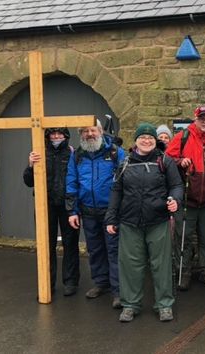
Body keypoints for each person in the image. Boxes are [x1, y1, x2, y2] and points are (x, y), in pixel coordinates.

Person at [105, 123, 183, 322]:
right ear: (136, 140)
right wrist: (111, 218)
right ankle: (130, 304)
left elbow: (176, 185)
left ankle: (164, 304)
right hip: (130, 222)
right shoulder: (125, 164)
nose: (146, 141)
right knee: (131, 265)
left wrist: (175, 200)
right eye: (142, 137)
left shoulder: (165, 161)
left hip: (158, 221)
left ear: (155, 140)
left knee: (162, 265)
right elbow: (116, 192)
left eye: (150, 137)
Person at [165, 105, 205, 290]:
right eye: (202, 118)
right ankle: (183, 272)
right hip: (187, 200)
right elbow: (167, 159)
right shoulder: (183, 137)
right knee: (182, 238)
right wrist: (179, 161)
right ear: (196, 119)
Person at [66, 120, 125, 308]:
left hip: (110, 212)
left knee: (114, 250)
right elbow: (71, 182)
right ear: (80, 134)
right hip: (88, 211)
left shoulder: (114, 152)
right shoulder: (77, 156)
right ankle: (101, 283)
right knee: (95, 249)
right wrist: (73, 211)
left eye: (92, 130)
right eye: (84, 131)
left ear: (100, 131)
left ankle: (118, 290)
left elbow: (125, 181)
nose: (89, 134)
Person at [23, 128, 80, 296]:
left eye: (60, 134)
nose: (56, 137)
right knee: (46, 245)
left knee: (70, 243)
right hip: (45, 205)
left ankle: (70, 282)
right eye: (52, 134)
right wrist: (30, 165)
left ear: (66, 136)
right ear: (47, 136)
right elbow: (28, 181)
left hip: (67, 206)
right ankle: (47, 282)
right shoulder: (39, 153)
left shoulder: (72, 154)